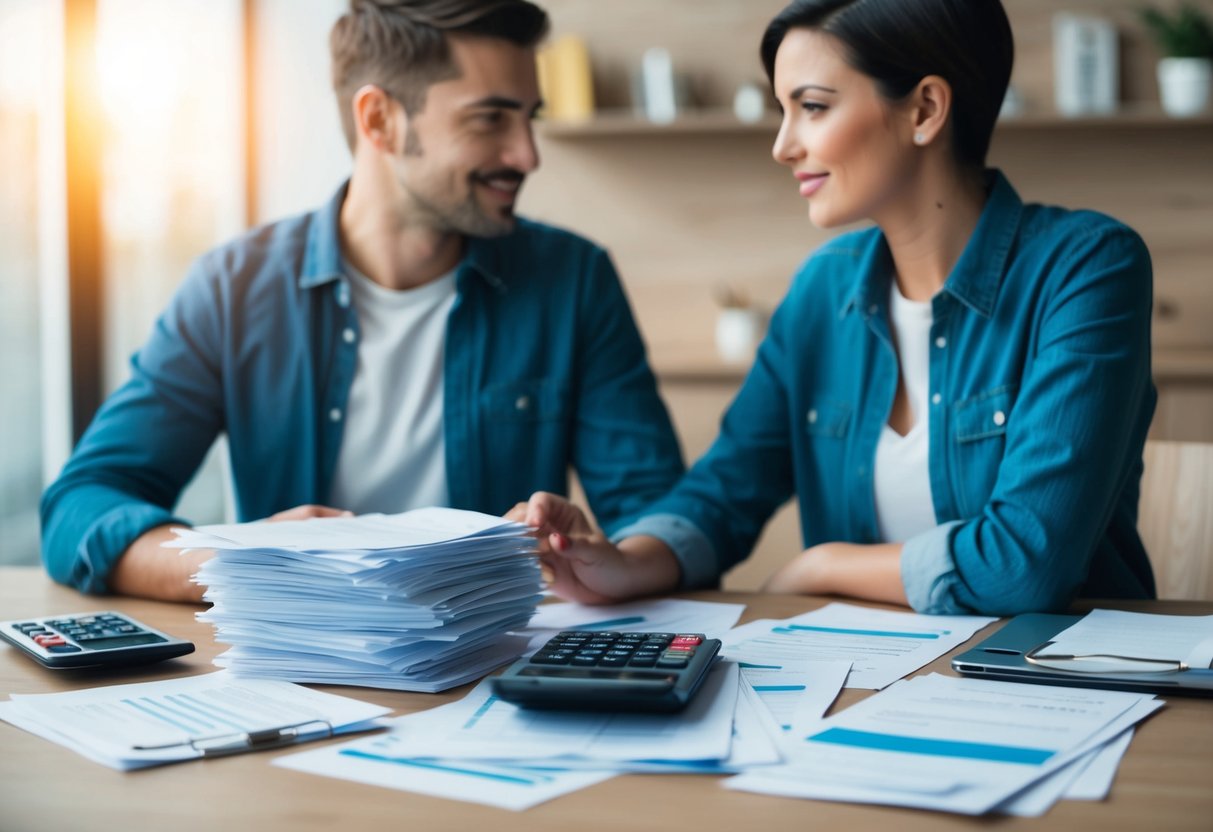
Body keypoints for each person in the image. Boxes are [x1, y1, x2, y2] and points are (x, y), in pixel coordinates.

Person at [519, 0, 1157, 616]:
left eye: (813, 107)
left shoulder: (1088, 266)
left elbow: (1025, 562)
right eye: (782, 111)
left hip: (1065, 691)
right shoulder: (823, 289)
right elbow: (724, 492)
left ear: (925, 110)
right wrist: (622, 562)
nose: (782, 146)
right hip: (863, 685)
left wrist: (823, 566)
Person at [41, 0, 683, 602]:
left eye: (529, 117)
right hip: (297, 683)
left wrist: (606, 557)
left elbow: (658, 514)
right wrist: (242, 561)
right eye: (491, 118)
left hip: (496, 677)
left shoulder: (574, 279)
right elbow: (82, 505)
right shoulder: (233, 288)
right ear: (378, 118)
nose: (526, 153)